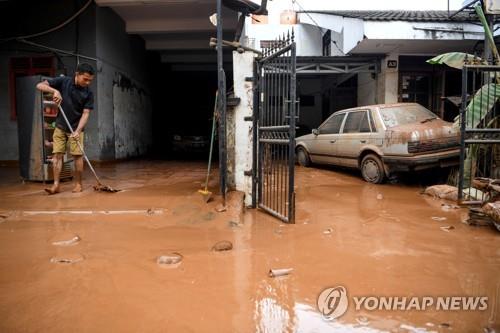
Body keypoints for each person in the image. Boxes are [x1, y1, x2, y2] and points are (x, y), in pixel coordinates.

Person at [36, 63, 95, 194]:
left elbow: (86, 113)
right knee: (57, 155)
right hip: (60, 125)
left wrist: (78, 131)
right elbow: (39, 85)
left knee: (77, 156)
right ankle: (56, 185)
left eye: (90, 80)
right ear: (77, 74)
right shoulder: (63, 81)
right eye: (85, 79)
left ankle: (79, 184)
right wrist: (54, 91)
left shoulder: (88, 93)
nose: (87, 82)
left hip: (76, 127)